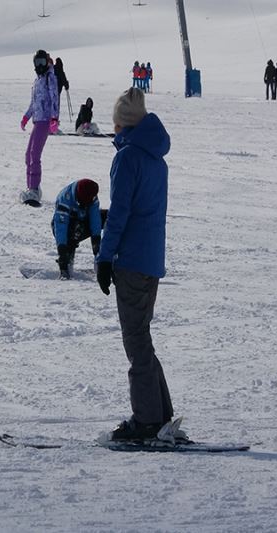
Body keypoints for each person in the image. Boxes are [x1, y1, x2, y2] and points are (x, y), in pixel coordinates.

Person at [95, 87, 185, 443]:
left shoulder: (128, 157)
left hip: (131, 261)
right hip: (151, 261)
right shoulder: (155, 157)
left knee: (136, 340)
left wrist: (104, 257)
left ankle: (147, 420)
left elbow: (119, 214)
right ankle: (159, 412)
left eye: (116, 123)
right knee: (142, 336)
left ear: (123, 124)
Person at [20, 50, 59, 207]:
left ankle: (34, 189)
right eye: (37, 63)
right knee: (28, 155)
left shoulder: (50, 77)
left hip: (45, 120)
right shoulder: (37, 80)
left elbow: (55, 97)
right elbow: (34, 103)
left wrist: (54, 118)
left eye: (42, 62)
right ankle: (32, 187)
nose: (40, 66)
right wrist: (26, 117)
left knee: (34, 154)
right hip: (37, 120)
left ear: (47, 61)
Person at [52, 179, 106, 280]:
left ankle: (104, 260)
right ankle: (67, 263)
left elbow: (95, 220)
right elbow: (60, 226)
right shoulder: (65, 198)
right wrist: (62, 251)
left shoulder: (92, 196)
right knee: (73, 231)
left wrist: (96, 246)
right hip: (66, 225)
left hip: (82, 222)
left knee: (110, 218)